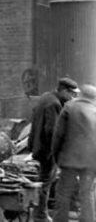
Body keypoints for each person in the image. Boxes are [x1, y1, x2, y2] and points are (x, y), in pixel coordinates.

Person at [29, 77, 78, 221]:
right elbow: (52, 132)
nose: (73, 97)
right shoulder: (54, 104)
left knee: (43, 183)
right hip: (47, 151)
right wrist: (59, 152)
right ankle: (40, 215)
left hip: (38, 147)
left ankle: (40, 213)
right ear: (63, 90)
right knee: (45, 183)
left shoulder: (46, 97)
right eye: (71, 93)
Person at [51, 83, 96, 222]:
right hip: (90, 161)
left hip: (69, 160)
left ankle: (60, 220)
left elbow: (58, 135)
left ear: (81, 94)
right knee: (87, 193)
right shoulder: (95, 110)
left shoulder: (70, 107)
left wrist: (56, 156)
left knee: (64, 193)